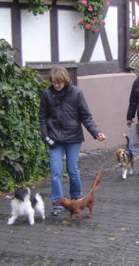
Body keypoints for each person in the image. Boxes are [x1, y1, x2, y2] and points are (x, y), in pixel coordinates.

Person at [39, 66, 106, 216]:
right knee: (55, 171)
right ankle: (57, 204)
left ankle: (76, 198)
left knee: (72, 170)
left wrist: (96, 133)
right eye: (54, 82)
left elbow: (85, 116)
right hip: (54, 138)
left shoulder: (76, 93)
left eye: (60, 82)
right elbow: (42, 118)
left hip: (73, 137)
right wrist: (45, 136)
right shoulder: (47, 94)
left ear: (65, 80)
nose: (57, 85)